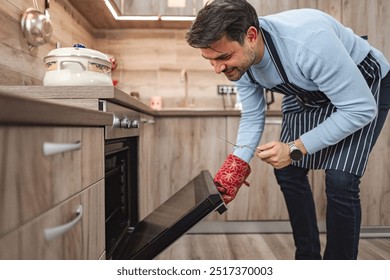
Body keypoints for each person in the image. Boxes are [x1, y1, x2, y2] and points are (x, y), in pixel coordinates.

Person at [185, 0, 390, 260]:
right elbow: (252, 114)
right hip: (309, 87)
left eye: (223, 57)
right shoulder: (241, 63)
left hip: (360, 85)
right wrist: (236, 166)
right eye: (210, 60)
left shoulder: (308, 43)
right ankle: (307, 260)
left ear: (251, 36)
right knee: (288, 171)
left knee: (341, 180)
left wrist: (295, 148)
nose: (218, 69)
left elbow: (360, 109)